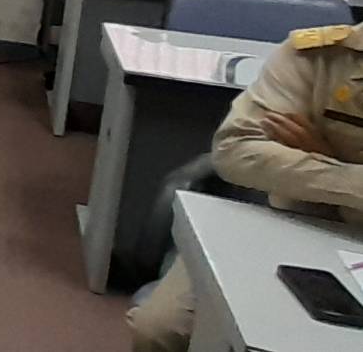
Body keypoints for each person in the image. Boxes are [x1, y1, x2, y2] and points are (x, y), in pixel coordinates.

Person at [125, 21, 363, 352]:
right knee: (159, 329)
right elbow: (235, 149)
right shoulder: (319, 56)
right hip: (286, 221)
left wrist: (319, 157)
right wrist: (346, 176)